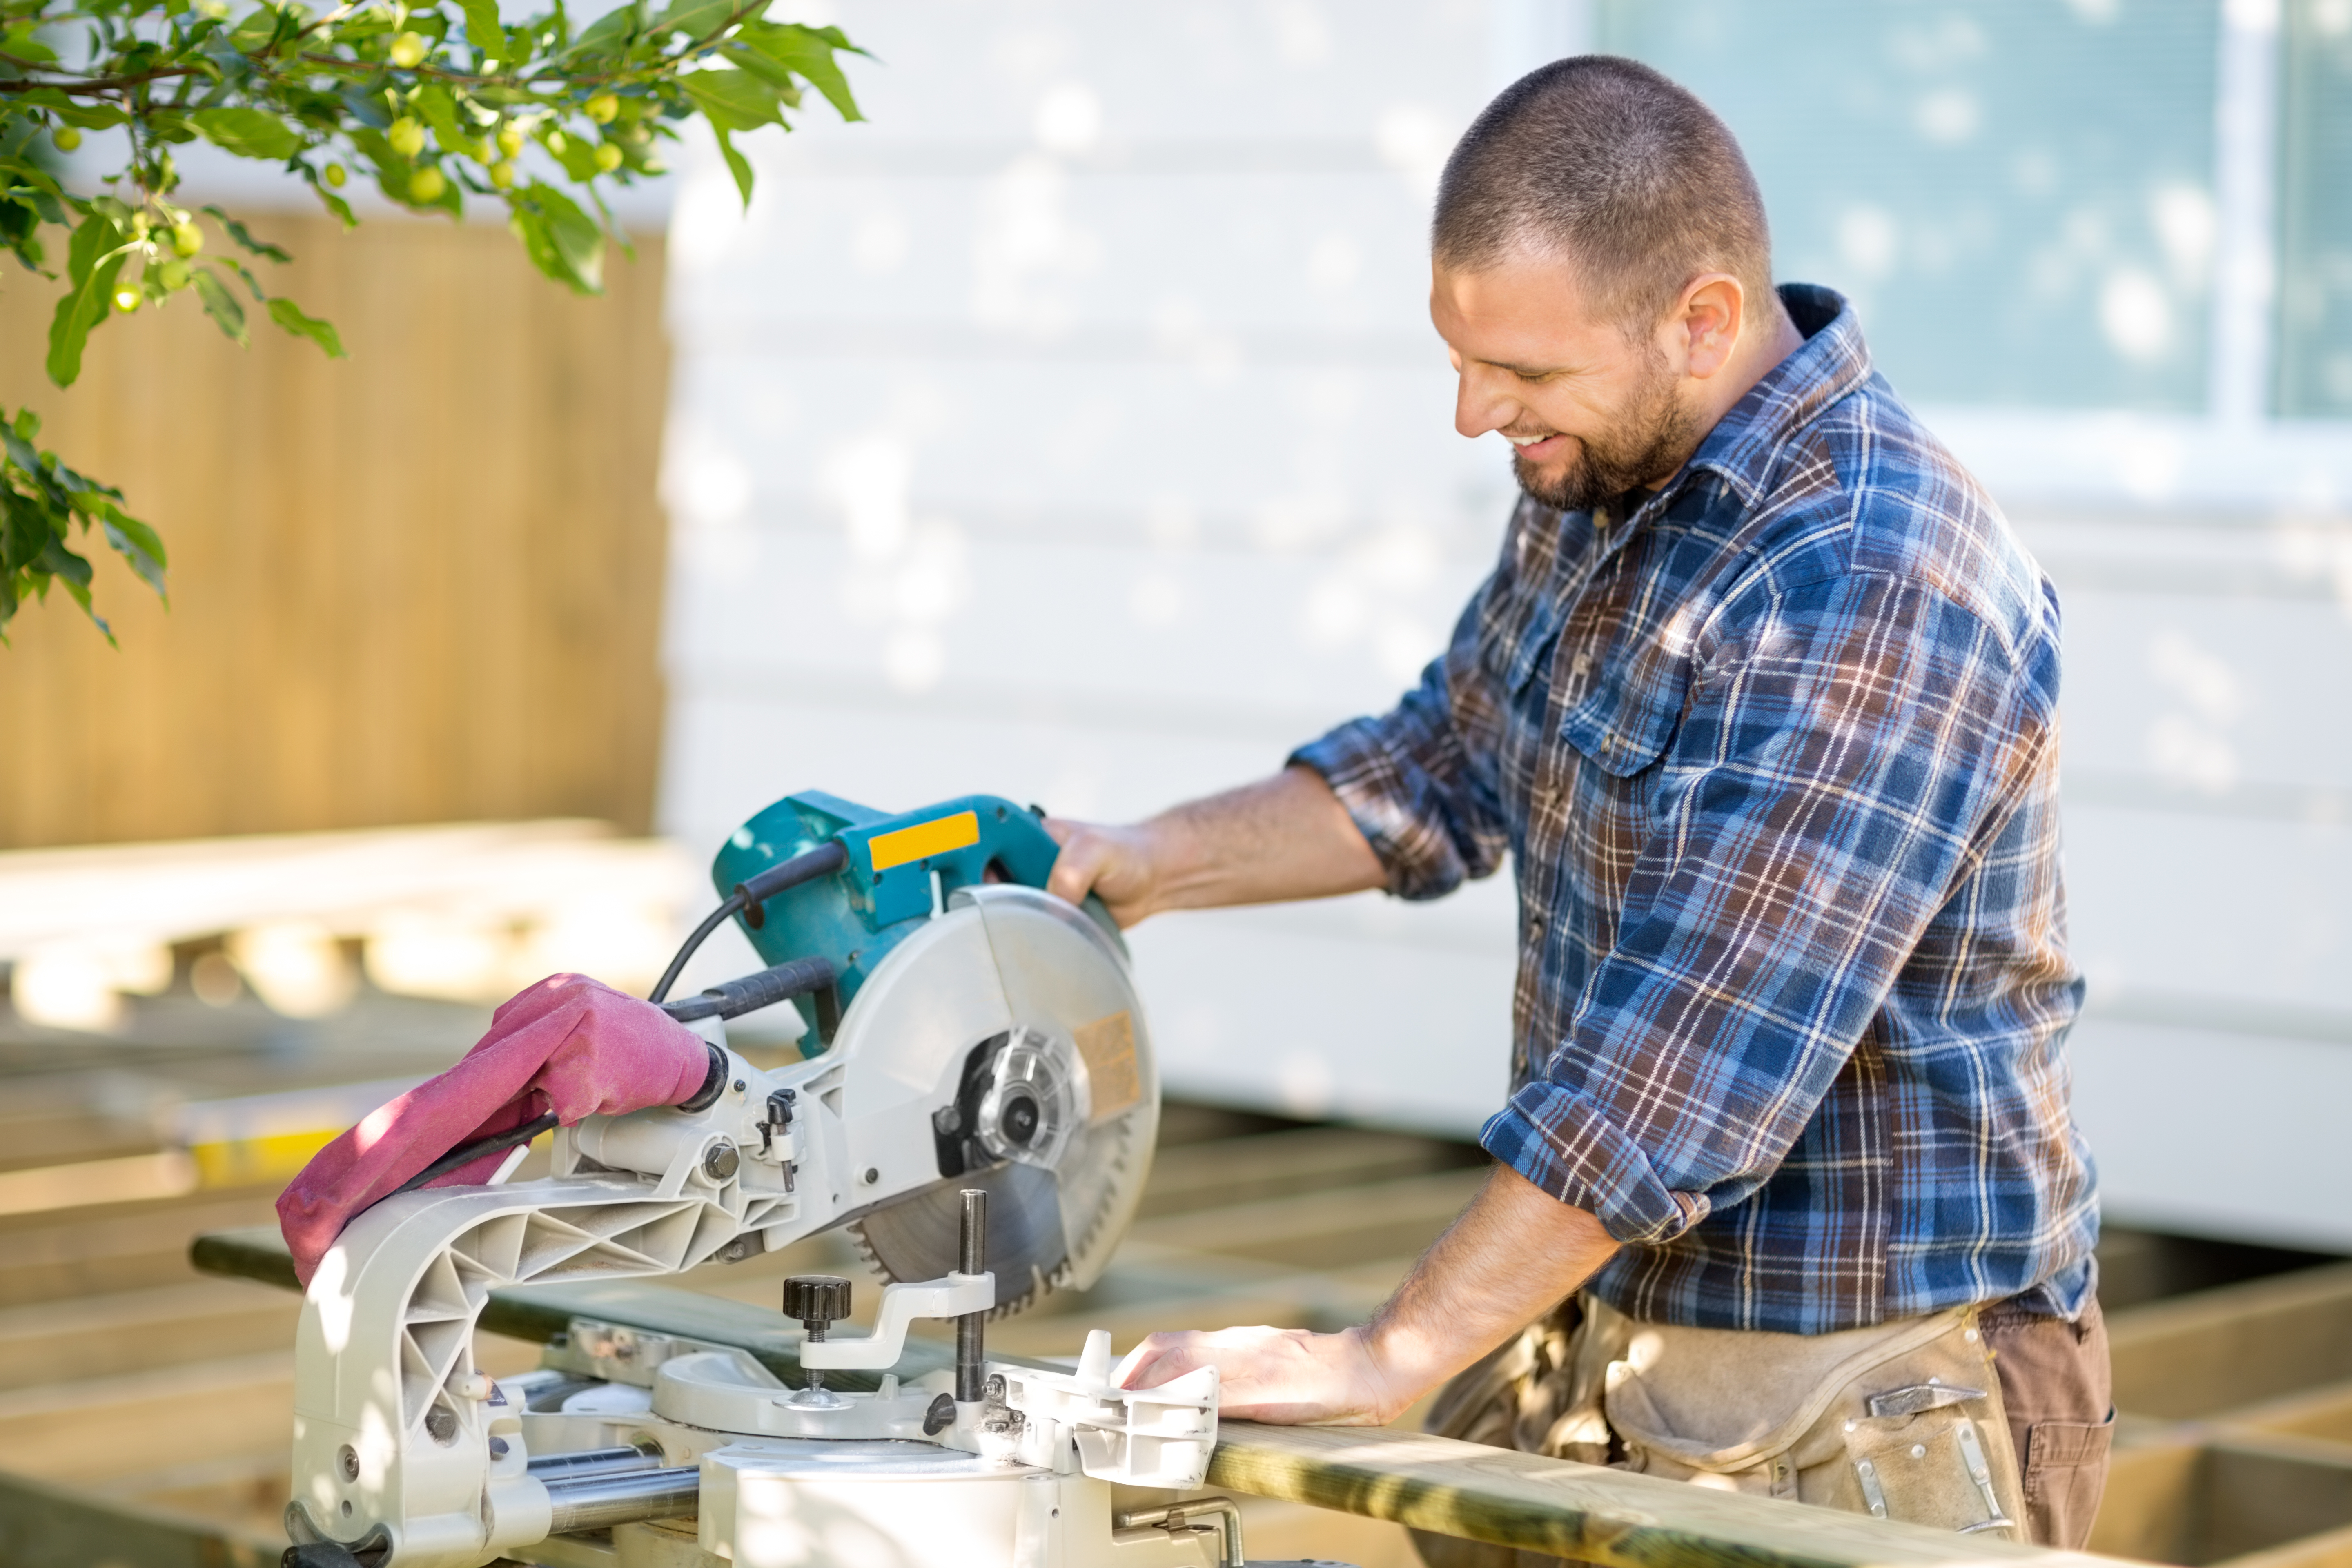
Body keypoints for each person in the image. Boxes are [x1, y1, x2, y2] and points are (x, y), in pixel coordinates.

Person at [1045, 56, 2109, 1558]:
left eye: (1525, 377)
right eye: (1463, 360)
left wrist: (1384, 1356)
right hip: (1612, 1322)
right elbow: (1449, 757)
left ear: (1702, 322)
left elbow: (1685, 1068)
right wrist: (1144, 865)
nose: (1478, 414)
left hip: (1866, 1379)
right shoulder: (1608, 469)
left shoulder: (1873, 578)